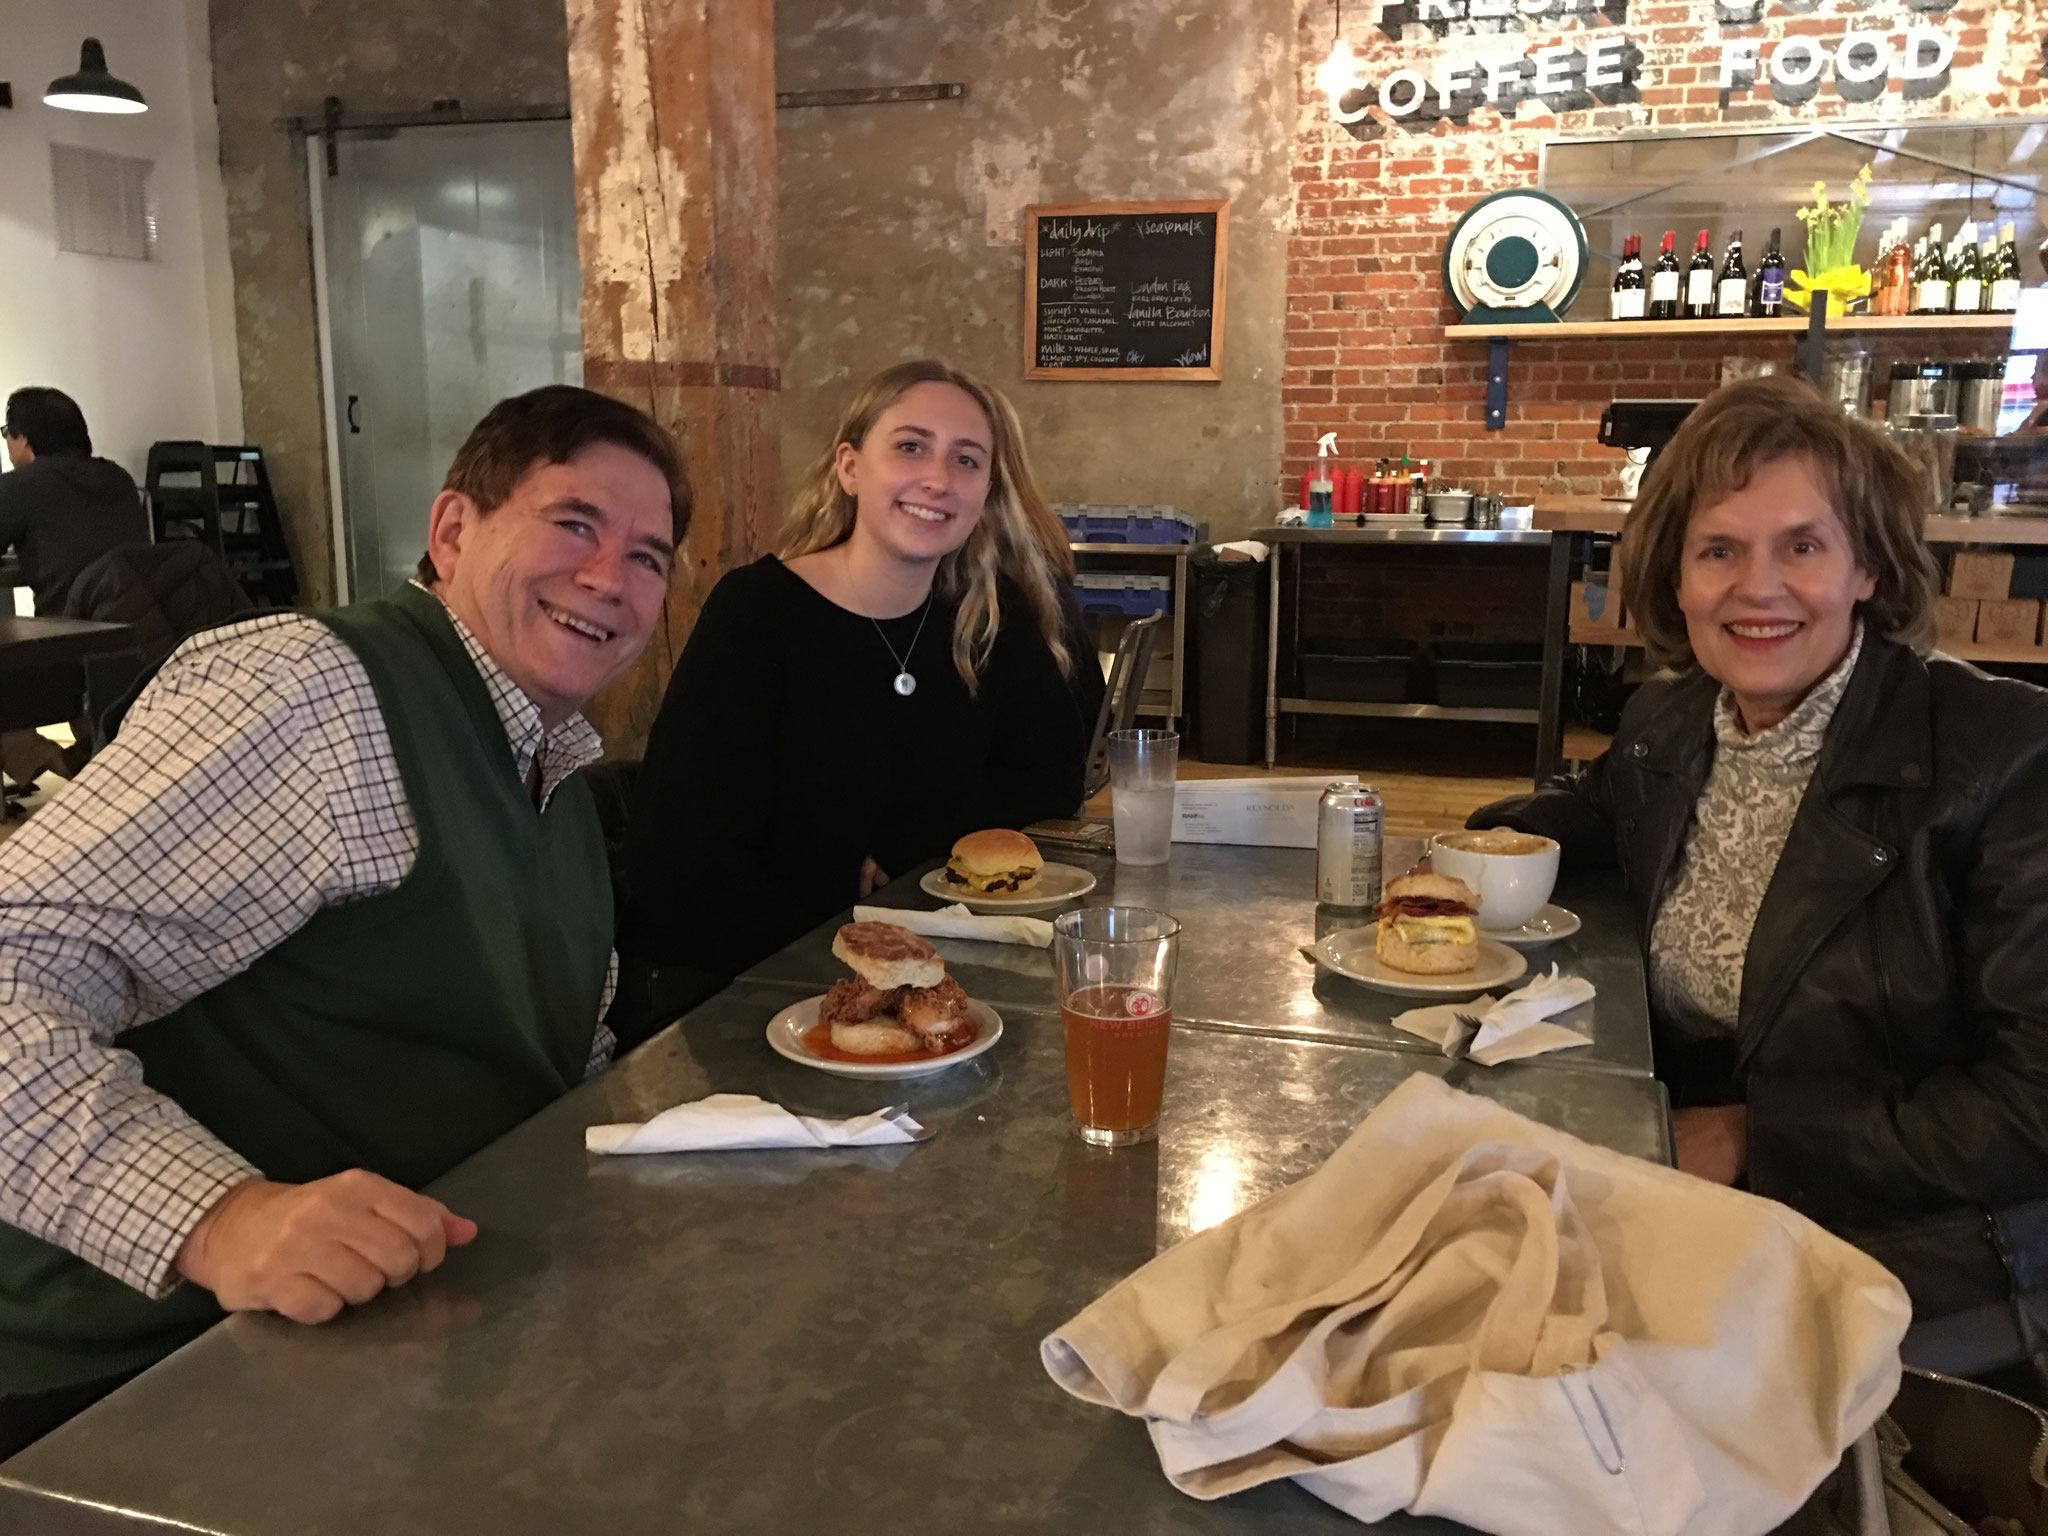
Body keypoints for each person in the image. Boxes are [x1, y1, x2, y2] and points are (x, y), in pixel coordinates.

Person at [0, 384, 686, 1452]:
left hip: (396, 1348)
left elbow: (550, 1056)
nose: (609, 577)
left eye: (649, 556)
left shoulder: (552, 767)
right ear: (452, 531)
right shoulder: (312, 690)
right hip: (130, 1381)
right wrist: (216, 1217)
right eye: (574, 524)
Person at [1470, 374, 2048, 1379]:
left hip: (1924, 1254)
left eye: (1801, 546)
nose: (1757, 587)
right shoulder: (1671, 721)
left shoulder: (2003, 755)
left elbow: (2028, 1104)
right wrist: (1456, 858)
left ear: (1866, 566)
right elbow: (1605, 812)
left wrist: (1750, 1139)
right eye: (1718, 550)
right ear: (1676, 576)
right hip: (1700, 1201)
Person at [615, 359, 1104, 1040]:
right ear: (850, 468)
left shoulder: (990, 617)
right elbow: (680, 861)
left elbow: (1049, 779)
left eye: (966, 460)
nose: (937, 478)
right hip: (736, 989)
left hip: (924, 973)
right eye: (910, 447)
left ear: (986, 492)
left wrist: (910, 846)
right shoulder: (757, 614)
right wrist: (856, 923)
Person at [0, 388, 148, 613]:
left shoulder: (19, 484)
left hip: (71, 634)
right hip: (143, 626)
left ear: (24, 437)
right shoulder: (119, 476)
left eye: (7, 432)